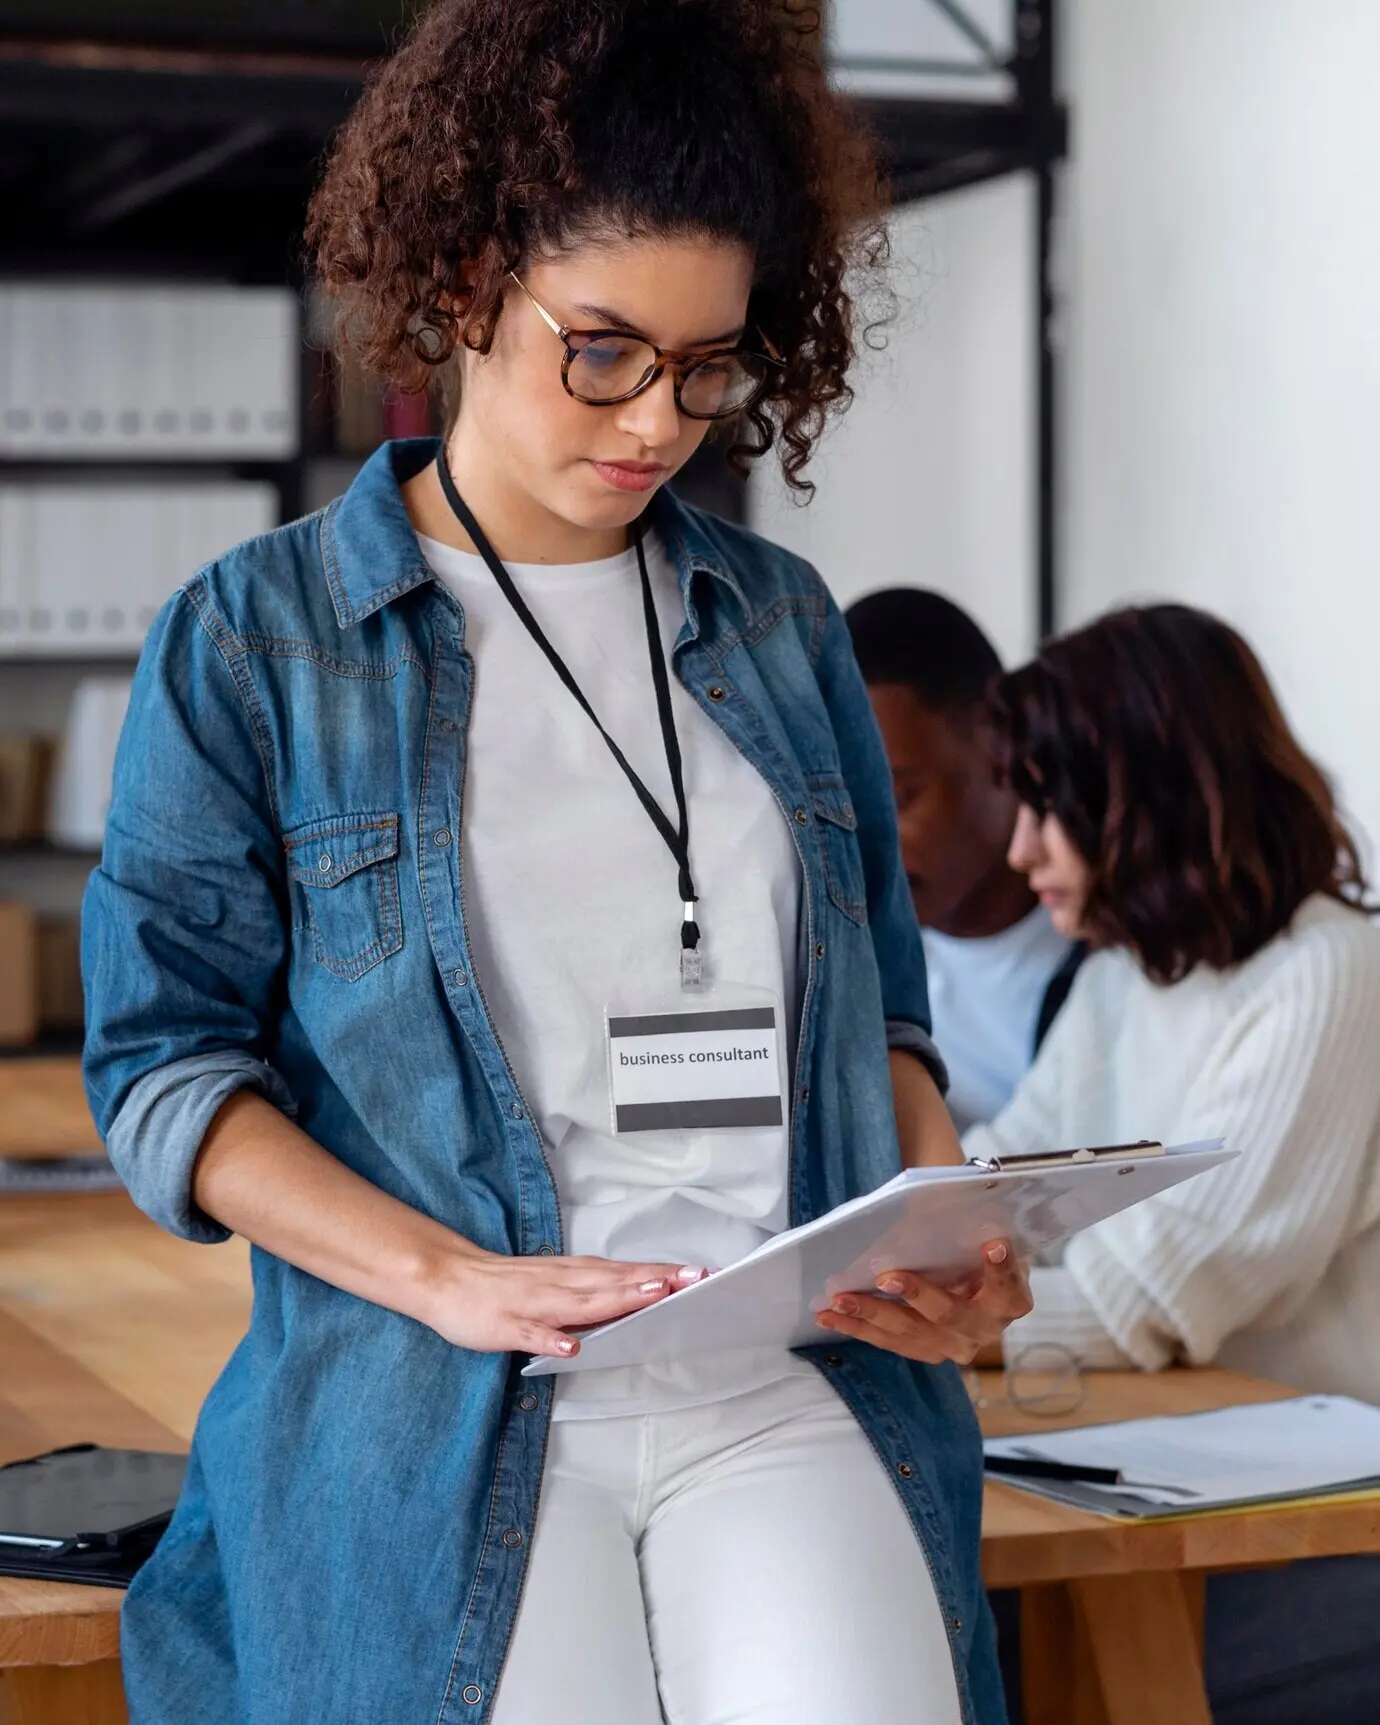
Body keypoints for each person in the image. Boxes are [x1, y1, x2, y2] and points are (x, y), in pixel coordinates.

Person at [80, 5, 1030, 1723]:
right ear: (462, 288)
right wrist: (457, 1277)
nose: (660, 418)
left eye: (708, 363)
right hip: (444, 1398)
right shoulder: (256, 644)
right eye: (602, 349)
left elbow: (883, 1008)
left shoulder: (780, 622)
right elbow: (163, 1073)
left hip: (778, 1372)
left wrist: (944, 1212)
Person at [972, 603, 1380, 1725]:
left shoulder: (1328, 973)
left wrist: (936, 1320)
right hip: (1165, 1478)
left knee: (978, 1643)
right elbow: (997, 1193)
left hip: (1317, 1519)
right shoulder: (1126, 974)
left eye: (1052, 806)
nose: (1020, 851)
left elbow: (1163, 1291)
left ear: (1150, 792)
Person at [845, 589, 1078, 1131]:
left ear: (999, 747)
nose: (863, 849)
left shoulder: (1121, 946)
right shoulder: (849, 980)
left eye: (898, 801)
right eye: (838, 814)